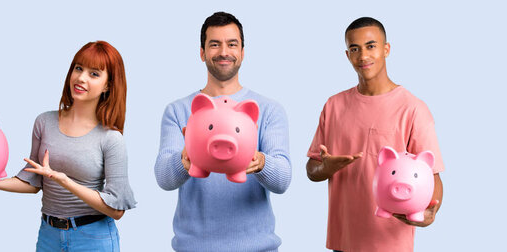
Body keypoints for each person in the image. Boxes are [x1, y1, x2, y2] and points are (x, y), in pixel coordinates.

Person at [0, 41, 136, 252]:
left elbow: (116, 211)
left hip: (92, 238)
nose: (81, 78)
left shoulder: (111, 139)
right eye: (78, 68)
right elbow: (33, 181)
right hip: (49, 235)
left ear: (108, 85)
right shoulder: (44, 122)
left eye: (94, 74)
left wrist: (63, 180)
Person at [154, 12, 292, 252]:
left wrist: (260, 162)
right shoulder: (178, 110)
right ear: (202, 52)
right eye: (214, 44)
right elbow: (164, 179)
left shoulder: (269, 110)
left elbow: (282, 181)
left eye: (232, 44)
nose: (224, 52)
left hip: (257, 248)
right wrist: (185, 158)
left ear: (243, 52)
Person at [305, 17, 444, 252]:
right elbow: (312, 169)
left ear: (386, 49)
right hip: (343, 242)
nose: (363, 56)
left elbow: (433, 176)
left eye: (371, 46)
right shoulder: (333, 105)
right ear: (347, 55)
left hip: (391, 243)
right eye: (354, 49)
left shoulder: (413, 108)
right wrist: (327, 168)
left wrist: (431, 211)